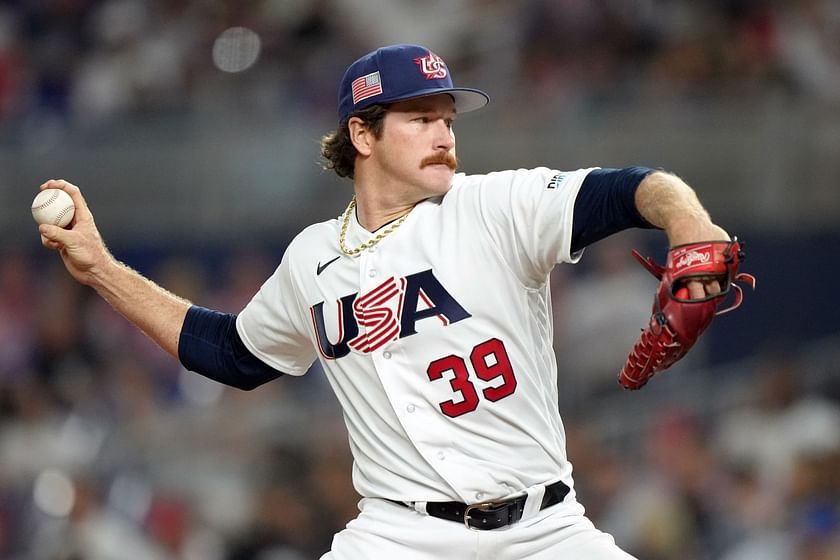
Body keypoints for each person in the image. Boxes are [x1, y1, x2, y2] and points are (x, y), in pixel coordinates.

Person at [38, 43, 732, 559]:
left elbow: (635, 187)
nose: (445, 134)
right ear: (361, 135)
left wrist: (689, 222)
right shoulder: (312, 257)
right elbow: (231, 354)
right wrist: (99, 269)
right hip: (401, 534)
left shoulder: (493, 206)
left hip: (545, 531)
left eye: (447, 118)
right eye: (420, 118)